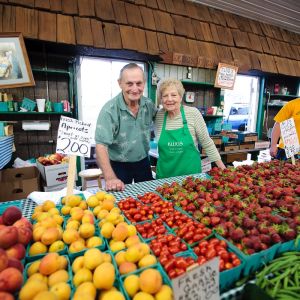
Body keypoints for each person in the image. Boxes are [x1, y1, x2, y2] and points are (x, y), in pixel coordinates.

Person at [95, 63, 156, 191]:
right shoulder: (109, 110)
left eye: (139, 83)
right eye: (129, 84)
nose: (135, 89)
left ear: (144, 83)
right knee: (119, 203)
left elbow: (164, 120)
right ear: (120, 83)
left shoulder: (149, 105)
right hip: (118, 165)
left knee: (149, 200)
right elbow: (101, 146)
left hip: (143, 162)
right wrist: (110, 177)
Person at [154, 78, 226, 179]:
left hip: (191, 178)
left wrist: (223, 169)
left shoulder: (193, 113)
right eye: (165, 95)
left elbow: (206, 142)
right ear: (161, 99)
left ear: (180, 97)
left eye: (174, 95)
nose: (169, 99)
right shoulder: (158, 116)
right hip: (164, 178)